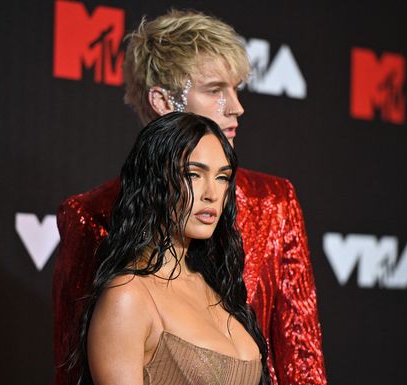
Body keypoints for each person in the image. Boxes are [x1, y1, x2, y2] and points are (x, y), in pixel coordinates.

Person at [54, 9, 327, 385]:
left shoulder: (273, 201)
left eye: (236, 89)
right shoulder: (91, 214)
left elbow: (301, 354)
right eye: (215, 90)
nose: (236, 106)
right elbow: (76, 365)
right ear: (163, 101)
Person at [72, 112, 268, 385]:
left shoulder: (215, 286)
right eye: (193, 174)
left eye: (222, 177)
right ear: (154, 182)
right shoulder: (128, 297)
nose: (212, 193)